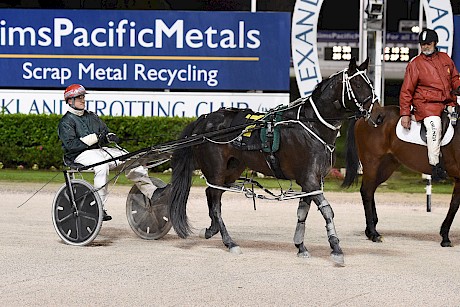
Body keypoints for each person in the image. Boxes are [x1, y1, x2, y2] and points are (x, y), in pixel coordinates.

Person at [58, 84, 166, 220]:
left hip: (99, 151)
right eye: (79, 98)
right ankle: (99, 207)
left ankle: (153, 193)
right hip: (80, 155)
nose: (83, 100)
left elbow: (105, 131)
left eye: (83, 97)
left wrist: (110, 135)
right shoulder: (65, 122)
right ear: (70, 101)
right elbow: (71, 145)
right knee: (102, 166)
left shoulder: (92, 116)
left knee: (131, 158)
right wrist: (95, 138)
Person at [399, 28, 460, 182]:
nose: (425, 47)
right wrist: (405, 113)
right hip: (426, 106)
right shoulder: (415, 64)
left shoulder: (445, 58)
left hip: (447, 102)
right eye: (422, 44)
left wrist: (458, 86)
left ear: (435, 43)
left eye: (428, 44)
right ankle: (435, 165)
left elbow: (454, 78)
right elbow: (406, 90)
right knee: (435, 126)